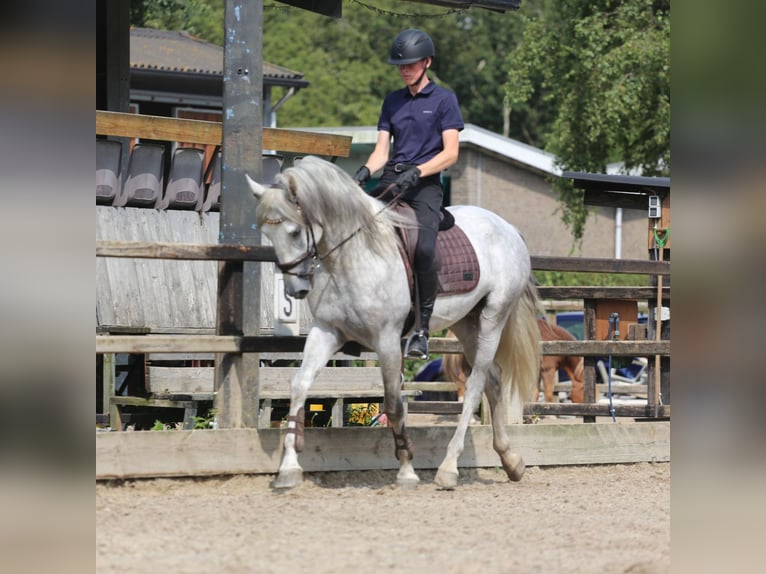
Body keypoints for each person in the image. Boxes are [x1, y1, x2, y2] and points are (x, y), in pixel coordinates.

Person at [352, 28, 464, 360]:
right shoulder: (392, 101)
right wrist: (363, 172)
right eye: (401, 65)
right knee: (357, 231)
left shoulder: (445, 100)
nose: (405, 70)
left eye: (411, 64)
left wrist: (419, 171)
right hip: (391, 179)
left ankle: (423, 329)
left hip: (426, 186)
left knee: (425, 250)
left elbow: (451, 153)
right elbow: (381, 152)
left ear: (426, 62)